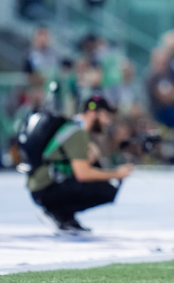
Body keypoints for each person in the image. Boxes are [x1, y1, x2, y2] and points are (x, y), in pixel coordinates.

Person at [27, 95, 134, 232]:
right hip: (45, 188)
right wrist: (116, 174)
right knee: (106, 189)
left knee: (99, 177)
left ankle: (64, 216)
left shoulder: (73, 127)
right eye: (104, 116)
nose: (107, 122)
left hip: (42, 185)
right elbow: (82, 174)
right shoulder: (78, 133)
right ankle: (57, 212)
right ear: (92, 113)